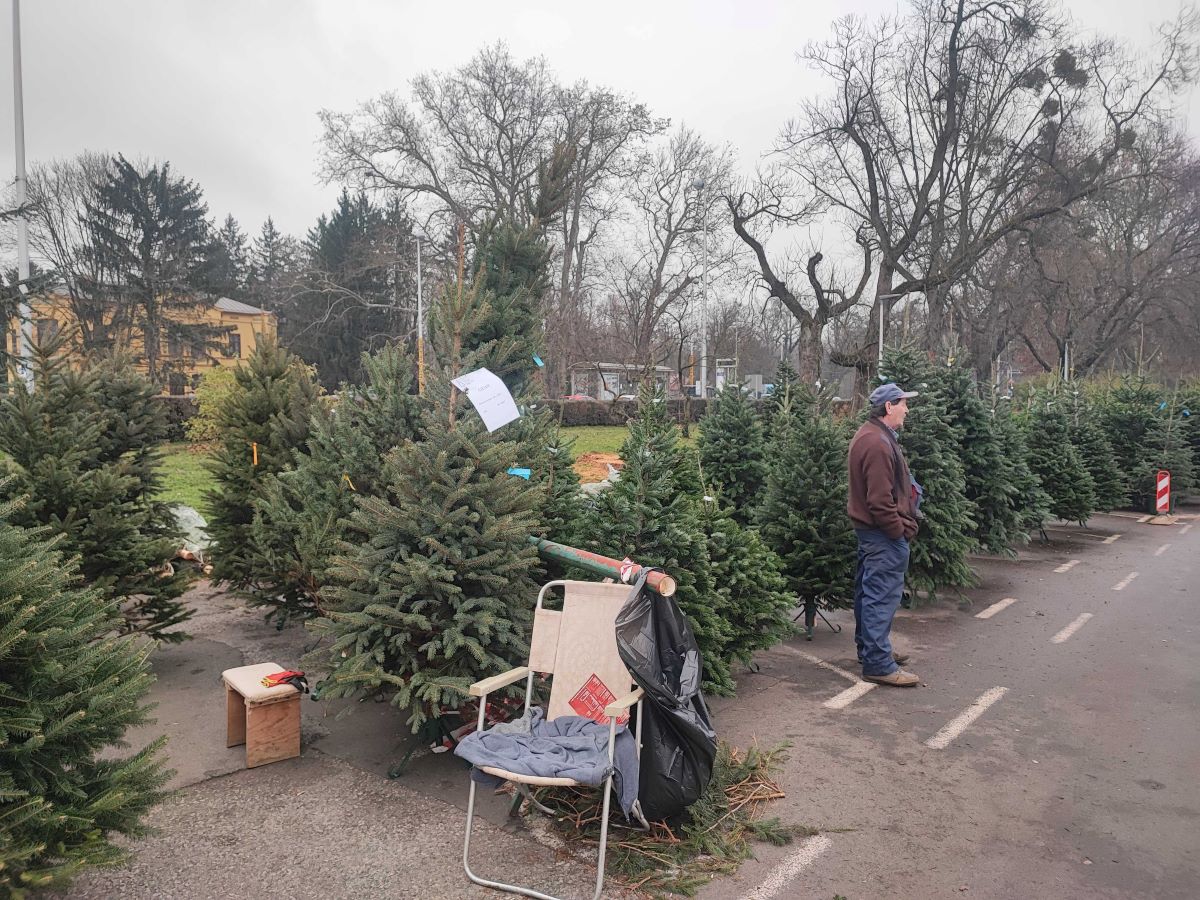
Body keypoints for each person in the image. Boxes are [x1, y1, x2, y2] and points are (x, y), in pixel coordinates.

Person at [846, 382, 922, 686]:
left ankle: (873, 651)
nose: (907, 409)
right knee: (879, 597)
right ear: (889, 407)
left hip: (873, 534)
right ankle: (878, 664)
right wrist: (899, 531)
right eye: (903, 403)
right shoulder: (876, 443)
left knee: (868, 594)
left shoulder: (874, 435)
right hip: (882, 535)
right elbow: (879, 501)